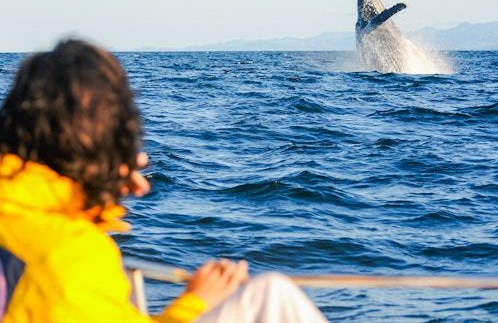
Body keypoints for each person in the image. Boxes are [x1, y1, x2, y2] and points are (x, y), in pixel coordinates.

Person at [0, 39, 329, 323]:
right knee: (272, 295)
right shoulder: (69, 257)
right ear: (98, 146)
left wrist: (94, 191)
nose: (141, 186)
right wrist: (195, 301)